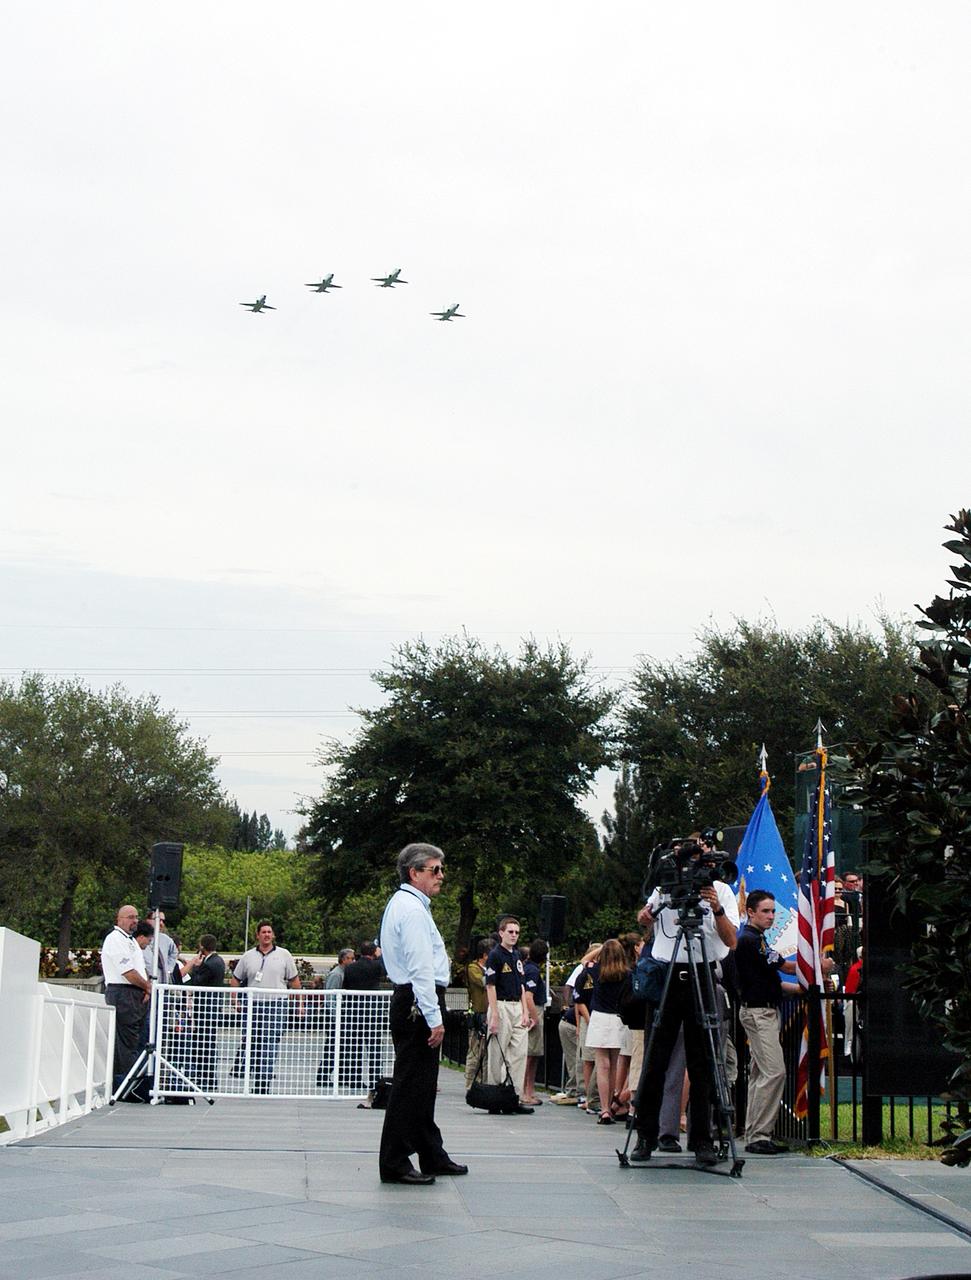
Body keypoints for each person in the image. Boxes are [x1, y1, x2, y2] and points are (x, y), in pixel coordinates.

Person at [631, 838, 739, 1165]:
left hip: (702, 974)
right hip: (667, 973)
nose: (698, 868)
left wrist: (715, 907)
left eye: (703, 860)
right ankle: (645, 1136)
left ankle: (702, 1138)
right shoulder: (667, 885)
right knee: (655, 1060)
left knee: (704, 1061)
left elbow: (731, 940)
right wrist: (649, 914)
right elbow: (643, 917)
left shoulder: (721, 891)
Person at [378, 842, 467, 1184]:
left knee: (423, 1084)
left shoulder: (407, 905)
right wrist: (435, 1018)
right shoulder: (412, 911)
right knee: (411, 1085)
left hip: (413, 999)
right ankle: (395, 1161)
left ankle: (431, 1152)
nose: (441, 876)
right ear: (414, 873)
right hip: (417, 1001)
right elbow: (420, 970)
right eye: (435, 870)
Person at [230, 921, 302, 1093]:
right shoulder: (248, 956)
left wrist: (300, 1004)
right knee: (252, 1041)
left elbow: (295, 981)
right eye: (263, 932)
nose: (267, 935)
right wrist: (235, 1000)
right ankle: (254, 1073)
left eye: (269, 932)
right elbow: (235, 979)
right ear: (257, 935)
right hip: (253, 1003)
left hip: (276, 1004)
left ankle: (263, 1081)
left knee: (270, 1042)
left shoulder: (284, 955)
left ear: (273, 935)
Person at [101, 904, 153, 1087]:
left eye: (136, 917)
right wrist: (147, 987)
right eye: (130, 917)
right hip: (123, 992)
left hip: (135, 993)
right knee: (125, 1041)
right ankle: (124, 1084)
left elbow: (138, 969)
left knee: (135, 1040)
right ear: (119, 919)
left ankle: (130, 1082)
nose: (135, 921)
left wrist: (145, 988)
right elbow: (128, 972)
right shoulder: (115, 939)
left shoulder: (130, 941)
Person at [484, 917, 533, 1110]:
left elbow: (521, 985)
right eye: (510, 932)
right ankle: (495, 1095)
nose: (514, 935)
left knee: (519, 1053)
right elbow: (490, 985)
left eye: (516, 932)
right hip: (501, 1005)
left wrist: (525, 1011)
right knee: (497, 1052)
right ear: (501, 932)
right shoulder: (495, 955)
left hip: (516, 1005)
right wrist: (494, 1013)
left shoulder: (516, 955)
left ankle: (514, 1096)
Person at [585, 938, 632, 1125]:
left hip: (599, 1018)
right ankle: (612, 1105)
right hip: (618, 1018)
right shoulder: (627, 974)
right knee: (614, 1065)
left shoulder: (597, 971)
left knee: (601, 1064)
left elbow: (583, 961)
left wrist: (599, 950)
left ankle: (604, 1109)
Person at [180, 934, 226, 1092]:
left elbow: (197, 981)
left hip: (206, 1009)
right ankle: (207, 1077)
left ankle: (206, 1078)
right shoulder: (218, 961)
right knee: (207, 1043)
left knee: (203, 1043)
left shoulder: (210, 964)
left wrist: (195, 967)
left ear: (203, 947)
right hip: (212, 1008)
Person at [340, 941, 386, 1093]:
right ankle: (375, 1079)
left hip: (354, 1012)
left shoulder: (351, 968)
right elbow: (385, 970)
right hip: (372, 1013)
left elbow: (345, 986)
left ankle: (355, 1079)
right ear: (373, 952)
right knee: (374, 1048)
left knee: (355, 1047)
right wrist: (380, 957)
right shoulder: (376, 966)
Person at [522, 938, 549, 1106]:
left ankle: (530, 1089)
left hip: (535, 1009)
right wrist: (534, 1017)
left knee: (534, 1055)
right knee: (529, 1055)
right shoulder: (532, 970)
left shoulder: (530, 968)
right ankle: (525, 1091)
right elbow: (528, 996)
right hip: (534, 1010)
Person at [464, 937, 490, 1088]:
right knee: (475, 1051)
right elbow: (483, 983)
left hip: (489, 1012)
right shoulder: (473, 968)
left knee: (487, 1053)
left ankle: (484, 1083)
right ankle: (470, 1084)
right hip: (478, 1012)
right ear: (485, 955)